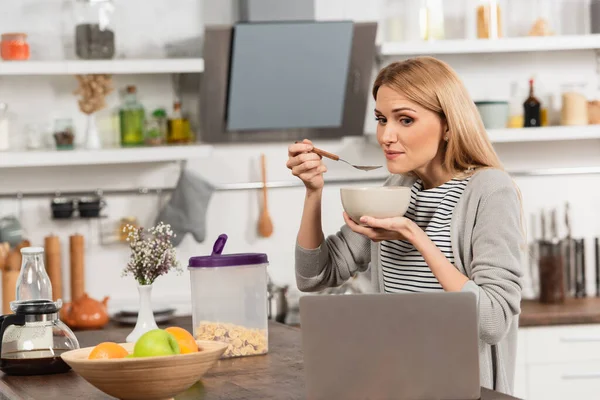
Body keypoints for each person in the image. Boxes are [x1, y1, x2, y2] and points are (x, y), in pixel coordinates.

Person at [286, 56, 523, 395]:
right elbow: (314, 275)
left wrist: (414, 235)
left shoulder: (490, 191)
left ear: (448, 125)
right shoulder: (396, 191)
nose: (386, 135)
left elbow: (492, 321)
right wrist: (313, 193)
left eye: (405, 119)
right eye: (382, 119)